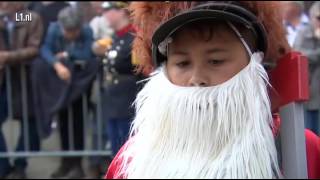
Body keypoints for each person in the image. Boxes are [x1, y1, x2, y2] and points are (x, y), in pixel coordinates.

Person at [106, 1, 320, 179]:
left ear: (256, 63)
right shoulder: (134, 160)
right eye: (182, 63)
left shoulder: (299, 147)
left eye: (216, 61)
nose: (197, 79)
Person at [40, 6, 95, 179]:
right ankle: (65, 163)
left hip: (80, 83)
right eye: (67, 31)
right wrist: (57, 64)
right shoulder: (53, 28)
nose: (70, 34)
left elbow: (87, 53)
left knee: (78, 124)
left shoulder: (87, 30)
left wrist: (65, 54)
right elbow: (45, 50)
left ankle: (77, 165)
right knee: (63, 124)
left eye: (74, 31)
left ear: (80, 27)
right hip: (61, 83)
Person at [0, 2, 43, 179]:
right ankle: (3, 165)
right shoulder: (4, 18)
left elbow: (34, 48)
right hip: (4, 79)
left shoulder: (25, 16)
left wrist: (7, 57)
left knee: (30, 125)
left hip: (25, 79)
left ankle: (19, 164)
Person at [293, 2, 320, 135]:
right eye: (318, 18)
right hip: (310, 91)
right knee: (310, 131)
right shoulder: (304, 32)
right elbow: (298, 54)